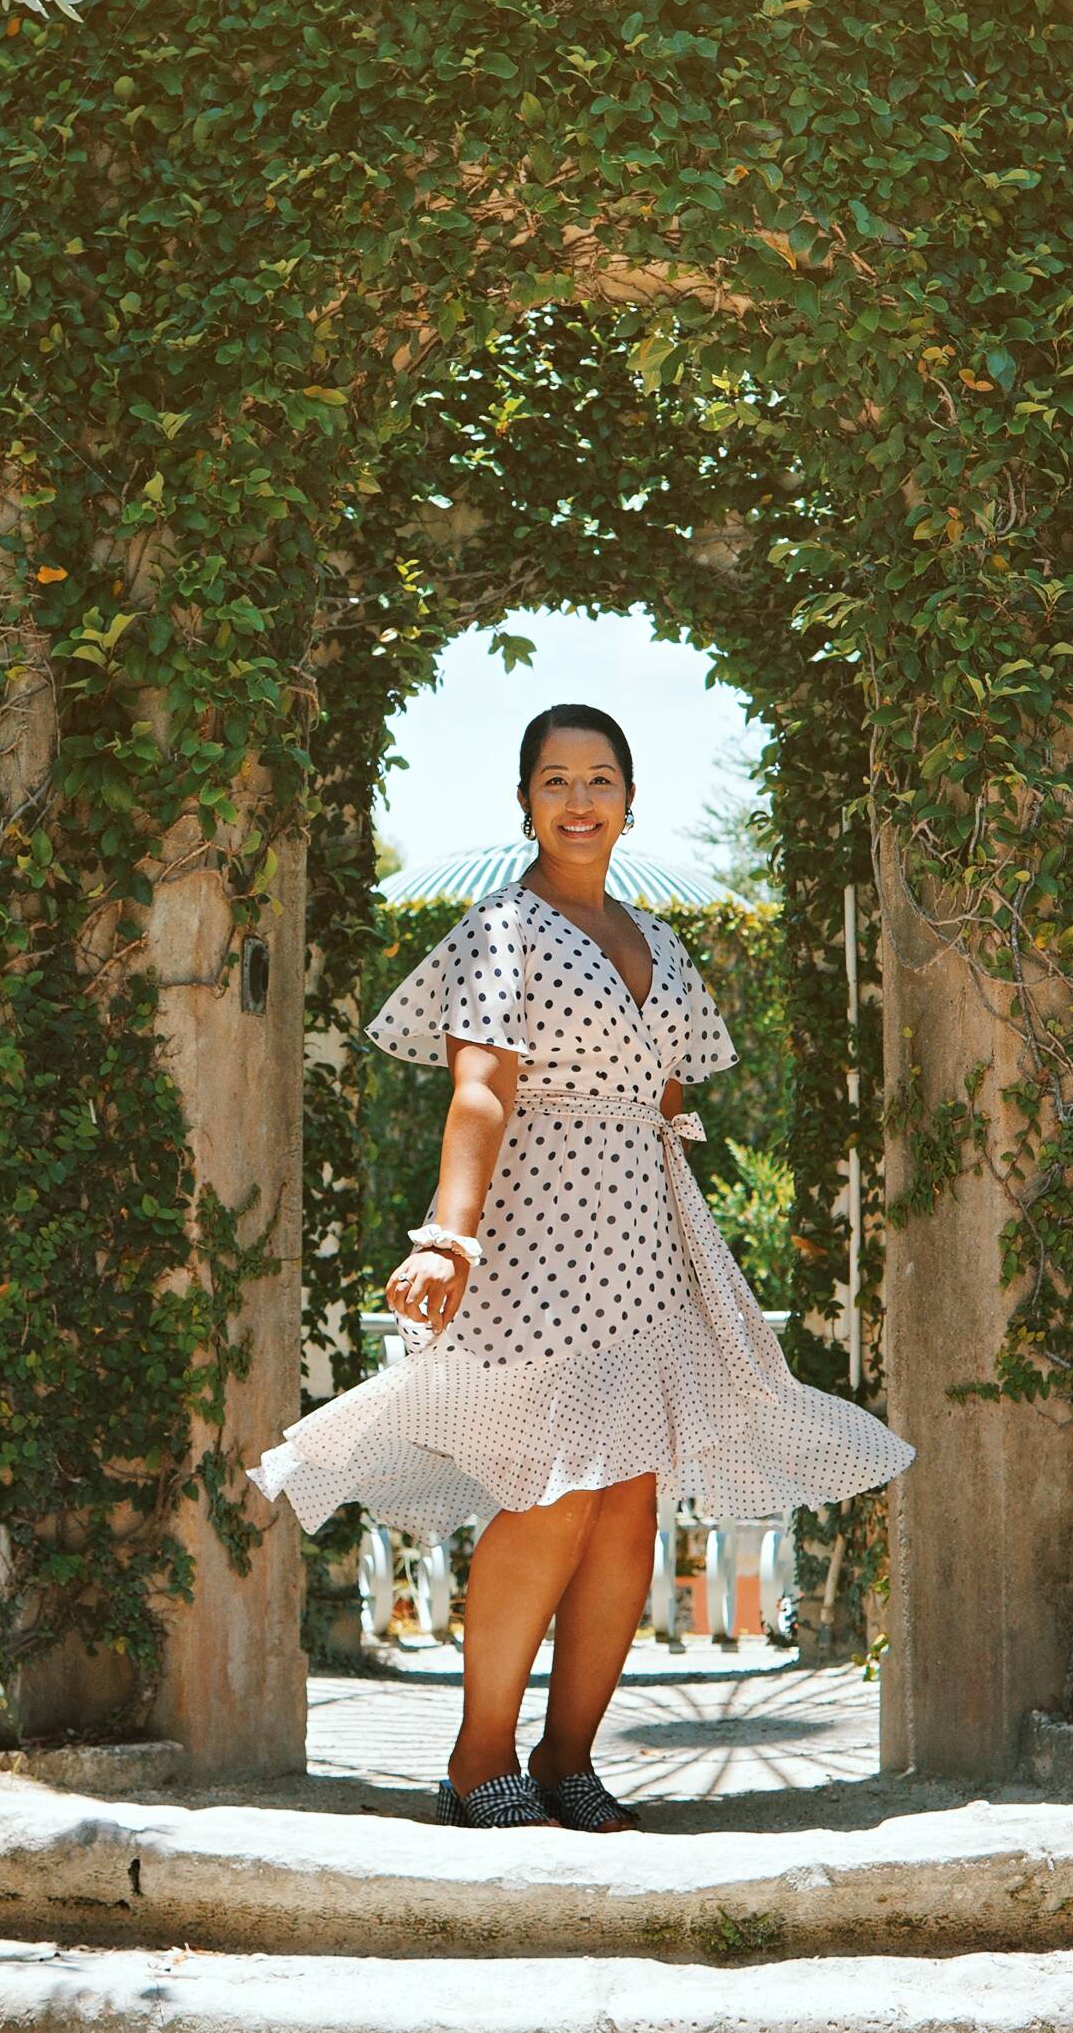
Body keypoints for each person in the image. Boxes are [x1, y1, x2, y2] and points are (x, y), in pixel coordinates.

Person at [252, 701, 912, 1831]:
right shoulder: (499, 929)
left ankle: (566, 1760)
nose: (577, 798)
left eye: (598, 776)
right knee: (552, 1490)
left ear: (628, 796)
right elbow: (479, 1089)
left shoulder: (658, 941)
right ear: (523, 800)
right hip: (535, 1228)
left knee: (627, 1508)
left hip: (645, 1232)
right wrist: (447, 1235)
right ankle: (474, 1760)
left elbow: (668, 1094)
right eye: (552, 778)